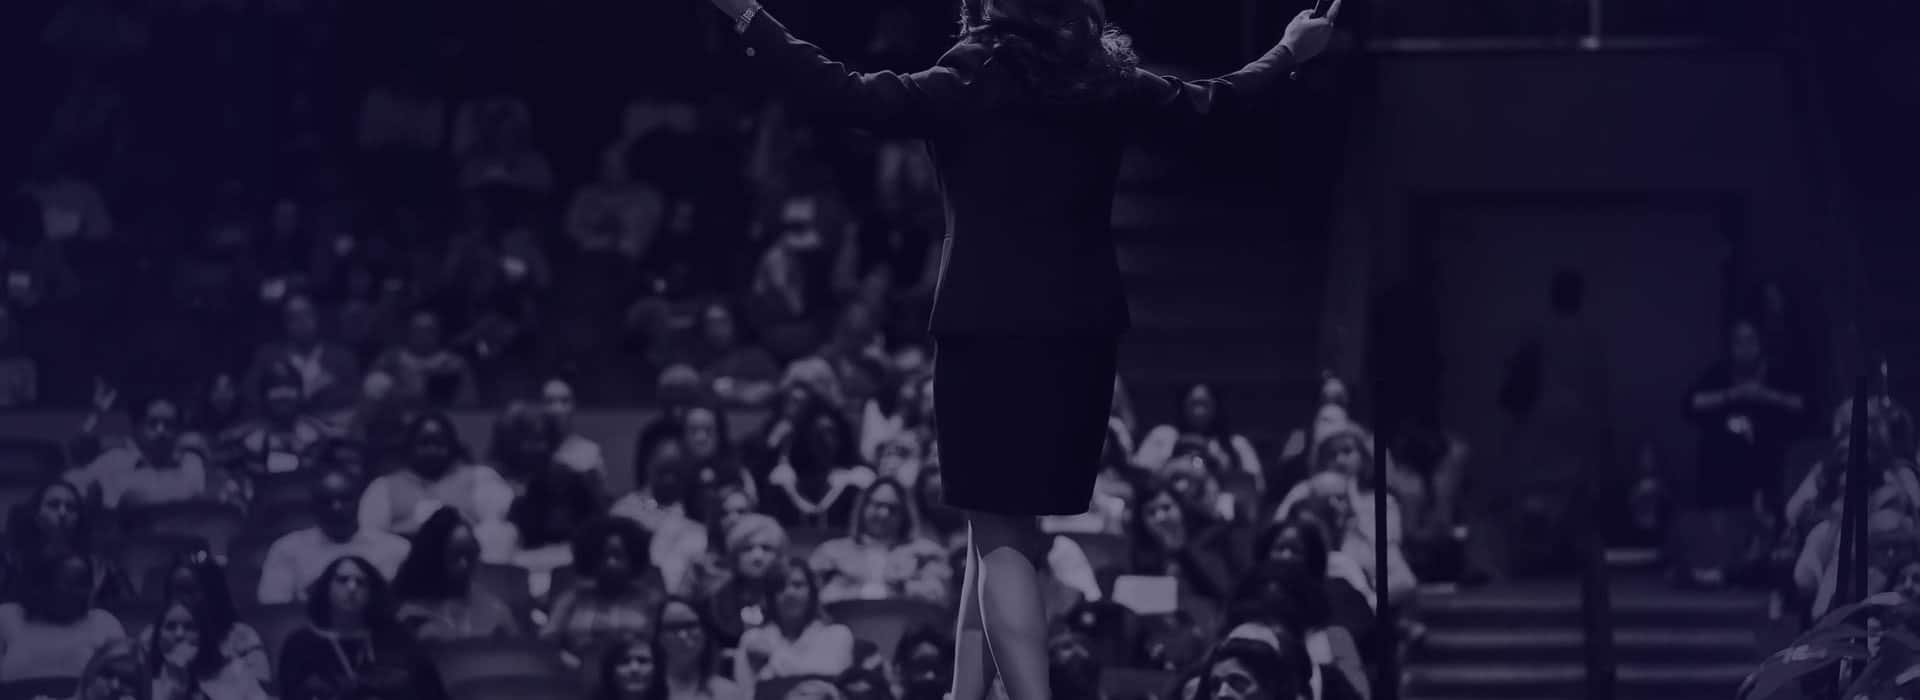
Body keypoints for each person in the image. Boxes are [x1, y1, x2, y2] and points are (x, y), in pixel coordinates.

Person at [693, 0, 1339, 698]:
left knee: (1000, 535)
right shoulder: (1101, 77)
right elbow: (1213, 106)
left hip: (989, 329)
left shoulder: (971, 76)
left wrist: (750, 16)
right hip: (1082, 333)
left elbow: (844, 92)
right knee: (1001, 529)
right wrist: (1289, 53)